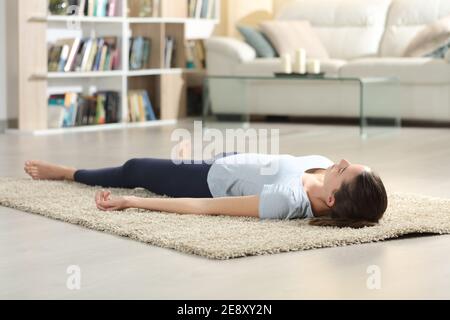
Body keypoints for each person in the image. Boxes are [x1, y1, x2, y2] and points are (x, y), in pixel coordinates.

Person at [23, 153, 388, 229]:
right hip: (230, 158)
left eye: (341, 170)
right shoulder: (328, 184)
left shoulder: (285, 201)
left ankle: (68, 172)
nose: (338, 161)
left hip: (207, 178)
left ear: (331, 200)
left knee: (134, 168)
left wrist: (133, 201)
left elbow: (207, 208)